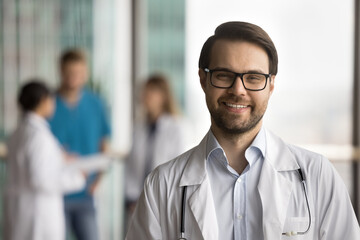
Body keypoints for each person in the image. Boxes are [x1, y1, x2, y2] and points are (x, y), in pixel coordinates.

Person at [126, 22, 360, 239]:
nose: (238, 90)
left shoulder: (318, 176)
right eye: (224, 75)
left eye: (253, 77)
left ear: (271, 85)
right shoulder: (161, 185)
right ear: (203, 79)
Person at [4, 81, 85, 240]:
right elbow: (40, 179)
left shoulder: (19, 132)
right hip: (37, 214)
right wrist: (77, 178)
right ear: (43, 101)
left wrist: (60, 159)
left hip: (21, 210)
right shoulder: (39, 136)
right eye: (51, 99)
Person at [48, 49, 111, 240]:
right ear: (61, 72)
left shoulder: (96, 104)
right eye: (69, 73)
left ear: (86, 74)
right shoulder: (48, 103)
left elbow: (104, 143)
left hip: (86, 192)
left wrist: (99, 179)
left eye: (79, 73)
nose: (74, 78)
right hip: (56, 193)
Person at [125, 74, 186, 213]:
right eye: (145, 92)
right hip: (138, 199)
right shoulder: (139, 127)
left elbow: (179, 165)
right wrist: (131, 198)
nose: (146, 96)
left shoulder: (176, 127)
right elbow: (132, 165)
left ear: (163, 96)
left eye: (151, 91)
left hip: (165, 198)